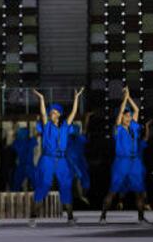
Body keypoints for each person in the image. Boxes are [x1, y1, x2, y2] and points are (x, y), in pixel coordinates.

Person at [28, 88, 84, 227]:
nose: (52, 114)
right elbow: (42, 112)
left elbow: (73, 113)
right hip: (47, 159)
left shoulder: (65, 127)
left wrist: (76, 98)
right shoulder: (47, 126)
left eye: (54, 112)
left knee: (66, 186)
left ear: (59, 114)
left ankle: (70, 218)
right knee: (44, 185)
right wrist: (41, 98)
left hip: (62, 160)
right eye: (51, 113)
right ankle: (33, 218)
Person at [100, 87, 151, 225]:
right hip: (121, 162)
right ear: (121, 117)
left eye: (129, 116)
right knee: (113, 191)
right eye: (125, 115)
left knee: (139, 191)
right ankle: (103, 216)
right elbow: (121, 112)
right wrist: (124, 98)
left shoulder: (133, 127)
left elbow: (137, 110)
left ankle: (141, 218)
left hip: (134, 162)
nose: (128, 117)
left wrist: (129, 98)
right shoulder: (118, 129)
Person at [66, 112, 92, 206]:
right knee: (76, 177)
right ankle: (79, 196)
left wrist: (87, 117)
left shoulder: (80, 138)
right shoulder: (67, 139)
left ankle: (82, 195)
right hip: (71, 162)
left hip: (80, 161)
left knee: (84, 179)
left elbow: (84, 129)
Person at [10, 125, 37, 191]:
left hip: (21, 166)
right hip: (29, 165)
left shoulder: (17, 143)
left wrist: (14, 133)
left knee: (16, 185)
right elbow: (35, 138)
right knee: (36, 183)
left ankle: (14, 197)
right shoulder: (30, 142)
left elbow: (12, 146)